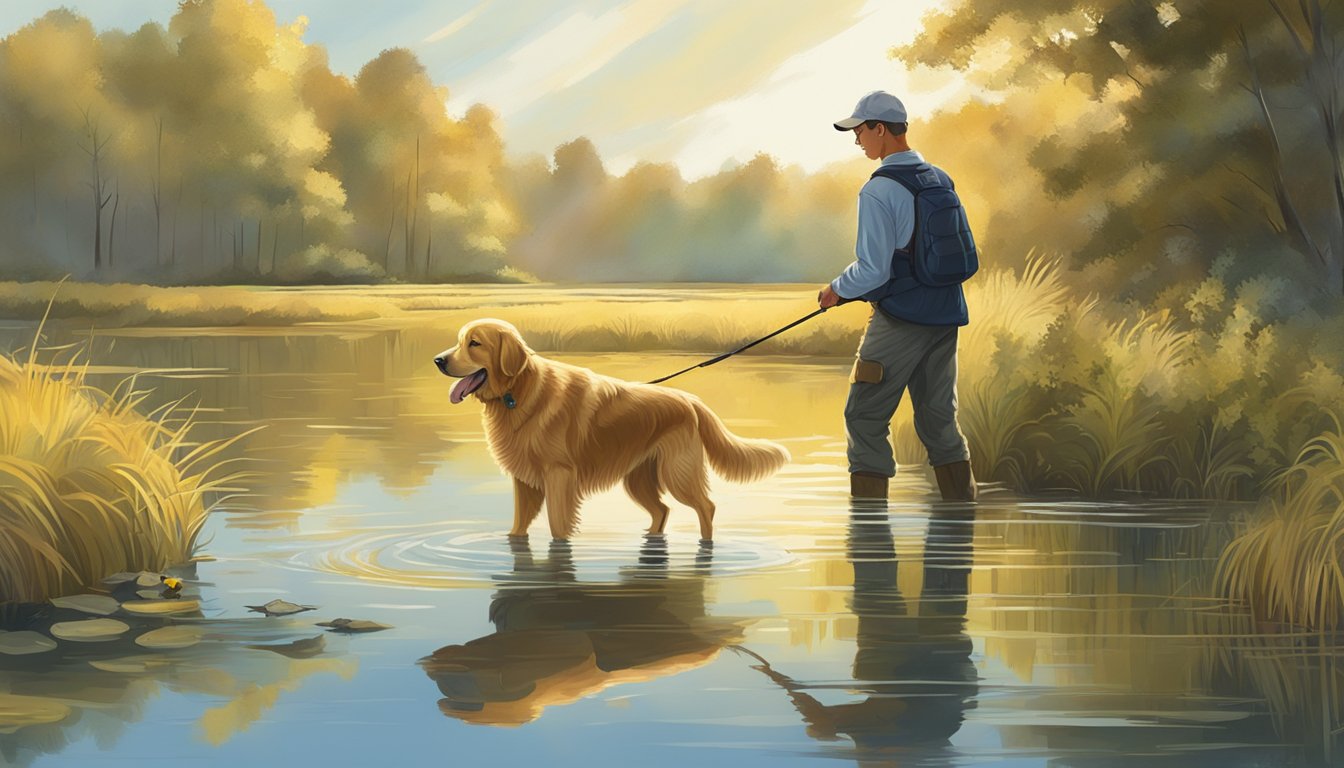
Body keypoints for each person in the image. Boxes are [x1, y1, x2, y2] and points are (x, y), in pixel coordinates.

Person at [818, 90, 977, 501]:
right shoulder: (940, 177)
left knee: (865, 416)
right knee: (939, 419)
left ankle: (870, 536)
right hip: (945, 315)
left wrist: (835, 290)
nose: (857, 141)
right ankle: (961, 523)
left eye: (860, 131)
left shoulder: (878, 190)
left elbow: (873, 270)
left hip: (901, 322)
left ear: (881, 130)